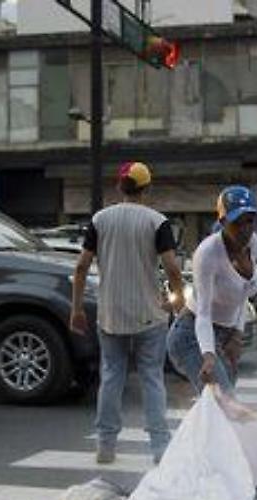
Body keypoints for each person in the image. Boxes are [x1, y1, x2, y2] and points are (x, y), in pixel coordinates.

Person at [71, 161, 184, 465]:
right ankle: (159, 447)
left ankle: (106, 446)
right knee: (151, 378)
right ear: (147, 188)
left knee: (111, 377)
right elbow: (172, 268)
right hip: (149, 314)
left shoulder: (100, 219)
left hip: (110, 314)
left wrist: (77, 309)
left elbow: (81, 266)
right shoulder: (156, 221)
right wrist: (179, 299)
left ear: (120, 187)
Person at [167, 185, 257, 395]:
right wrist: (208, 355)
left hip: (225, 334)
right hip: (193, 334)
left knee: (220, 407)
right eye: (237, 222)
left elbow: (245, 296)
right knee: (225, 403)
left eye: (250, 221)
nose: (245, 229)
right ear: (222, 222)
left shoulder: (252, 242)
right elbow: (203, 312)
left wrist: (236, 334)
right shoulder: (208, 253)